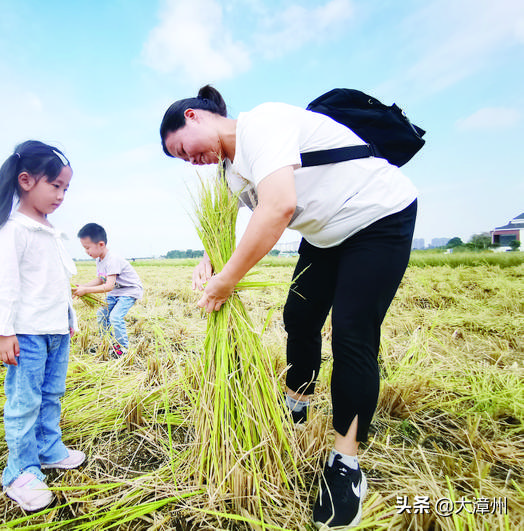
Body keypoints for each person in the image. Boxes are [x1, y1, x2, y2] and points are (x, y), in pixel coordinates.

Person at [160, 85, 417, 529]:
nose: (190, 160)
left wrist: (228, 280)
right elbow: (226, 223)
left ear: (194, 116)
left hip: (378, 217)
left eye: (183, 149)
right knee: (298, 317)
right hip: (325, 235)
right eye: (182, 160)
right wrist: (210, 259)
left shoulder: (264, 122)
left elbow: (279, 206)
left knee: (352, 333)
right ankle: (297, 405)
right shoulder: (228, 173)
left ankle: (346, 464)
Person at [0, 140, 86, 512]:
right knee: (24, 401)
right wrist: (3, 331)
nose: (61, 195)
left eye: (65, 188)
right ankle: (20, 471)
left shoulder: (50, 230)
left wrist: (69, 321)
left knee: (52, 393)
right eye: (55, 186)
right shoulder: (15, 230)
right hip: (26, 333)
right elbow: (4, 283)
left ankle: (47, 449)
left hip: (56, 331)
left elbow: (58, 282)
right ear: (26, 181)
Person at [74, 223, 143, 358]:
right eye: (84, 248)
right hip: (115, 293)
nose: (86, 252)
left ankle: (123, 349)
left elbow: (108, 286)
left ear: (101, 244)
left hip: (128, 291)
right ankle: (106, 343)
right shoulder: (99, 260)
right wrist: (83, 287)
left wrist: (86, 290)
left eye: (87, 248)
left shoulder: (113, 259)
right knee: (101, 315)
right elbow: (100, 279)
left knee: (115, 317)